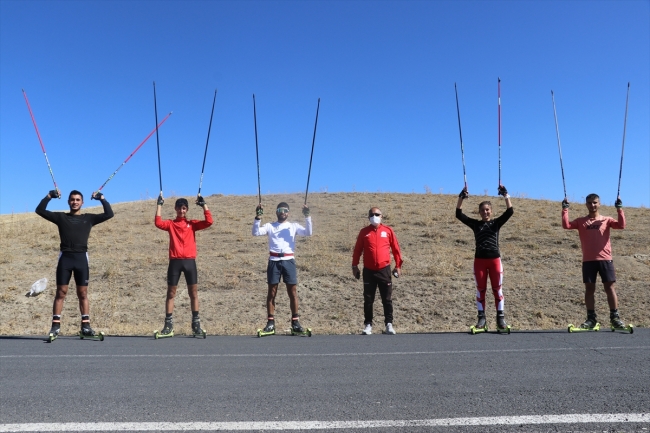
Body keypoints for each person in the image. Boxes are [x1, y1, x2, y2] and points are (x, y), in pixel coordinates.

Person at [36, 188, 114, 337]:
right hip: (65, 258)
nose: (75, 202)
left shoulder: (89, 218)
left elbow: (109, 214)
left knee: (83, 293)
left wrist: (102, 199)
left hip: (81, 259)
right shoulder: (61, 217)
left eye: (78, 200)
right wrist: (49, 196)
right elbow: (39, 210)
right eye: (72, 200)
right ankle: (55, 327)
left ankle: (86, 327)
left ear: (82, 202)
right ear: (68, 202)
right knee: (61, 292)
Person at [562, 194, 627, 329]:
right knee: (589, 289)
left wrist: (619, 209)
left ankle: (615, 318)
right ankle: (591, 319)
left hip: (605, 260)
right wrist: (565, 209)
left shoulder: (606, 220)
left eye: (595, 202)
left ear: (599, 204)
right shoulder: (581, 221)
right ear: (586, 204)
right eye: (590, 203)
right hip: (588, 261)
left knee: (610, 288)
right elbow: (566, 225)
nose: (592, 205)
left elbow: (621, 226)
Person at [456, 185, 513, 331]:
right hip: (479, 262)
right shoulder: (475, 224)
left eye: (487, 210)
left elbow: (510, 211)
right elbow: (459, 214)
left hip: (495, 261)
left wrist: (505, 195)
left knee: (497, 290)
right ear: (479, 212)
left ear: (491, 211)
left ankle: (500, 320)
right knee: (480, 290)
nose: (485, 212)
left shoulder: (496, 223)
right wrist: (461, 197)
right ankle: (481, 320)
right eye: (482, 210)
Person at [155, 195, 213, 337]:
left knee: (193, 294)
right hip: (175, 262)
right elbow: (158, 223)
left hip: (189, 262)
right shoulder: (171, 224)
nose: (181, 211)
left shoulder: (192, 224)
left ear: (186, 209)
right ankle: (168, 326)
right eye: (179, 208)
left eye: (184, 208)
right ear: (175, 209)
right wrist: (159, 205)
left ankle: (196, 325)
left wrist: (204, 205)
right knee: (171, 293)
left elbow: (209, 222)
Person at [252, 202, 312, 335]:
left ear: (288, 213)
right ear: (276, 212)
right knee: (272, 292)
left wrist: (307, 216)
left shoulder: (293, 226)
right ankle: (270, 323)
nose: (282, 212)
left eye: (285, 210)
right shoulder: (270, 226)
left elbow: (308, 232)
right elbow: (255, 233)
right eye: (280, 210)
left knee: (293, 292)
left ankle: (295, 322)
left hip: (289, 260)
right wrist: (258, 217)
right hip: (274, 260)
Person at [352, 207, 403, 335]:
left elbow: (396, 249)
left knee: (387, 299)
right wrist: (354, 266)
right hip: (369, 271)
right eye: (371, 214)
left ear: (381, 216)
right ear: (368, 217)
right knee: (368, 299)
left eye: (377, 214)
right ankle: (368, 325)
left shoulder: (388, 231)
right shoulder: (364, 232)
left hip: (384, 270)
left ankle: (389, 324)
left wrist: (398, 266)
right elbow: (357, 250)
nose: (374, 216)